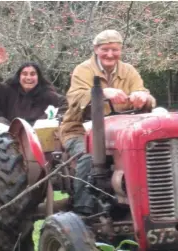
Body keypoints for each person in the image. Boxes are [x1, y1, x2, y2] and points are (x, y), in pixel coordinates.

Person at [59, 29, 156, 215]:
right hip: (80, 130)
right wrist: (102, 92)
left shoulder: (129, 71)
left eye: (115, 50)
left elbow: (145, 94)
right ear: (96, 49)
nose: (110, 54)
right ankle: (84, 212)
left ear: (120, 50)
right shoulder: (83, 70)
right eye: (105, 49)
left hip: (120, 132)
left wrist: (142, 97)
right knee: (90, 157)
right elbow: (75, 97)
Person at [0, 46, 67, 125]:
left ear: (38, 77)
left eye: (32, 74)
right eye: (25, 74)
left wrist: (54, 120)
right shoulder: (9, 91)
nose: (28, 78)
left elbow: (65, 105)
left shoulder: (48, 95)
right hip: (11, 136)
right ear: (19, 77)